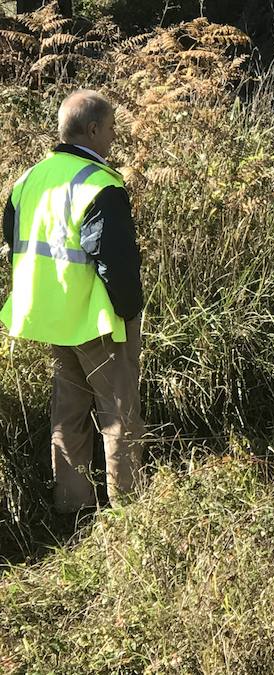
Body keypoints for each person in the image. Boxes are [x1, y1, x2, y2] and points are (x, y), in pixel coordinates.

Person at [1, 89, 144, 513]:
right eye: (113, 128)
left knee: (69, 416)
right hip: (94, 320)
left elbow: (14, 239)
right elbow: (116, 265)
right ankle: (130, 516)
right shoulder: (99, 184)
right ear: (94, 129)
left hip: (48, 316)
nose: (115, 137)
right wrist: (130, 315)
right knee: (120, 417)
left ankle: (71, 509)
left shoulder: (28, 179)